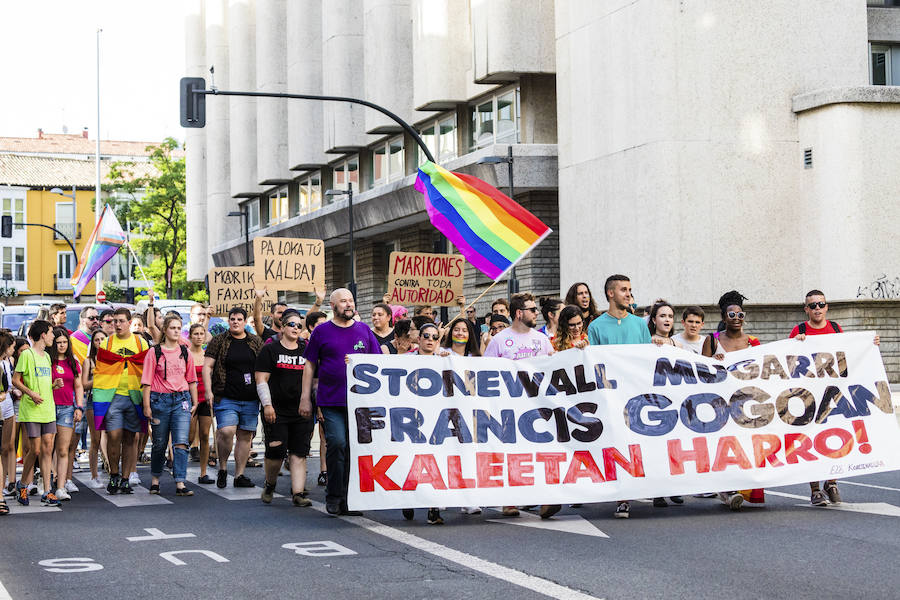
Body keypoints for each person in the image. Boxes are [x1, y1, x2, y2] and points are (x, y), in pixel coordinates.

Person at [789, 289, 880, 506]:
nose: (817, 308)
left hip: (834, 394)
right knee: (810, 439)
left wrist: (870, 343)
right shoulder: (799, 330)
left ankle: (831, 482)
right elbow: (788, 362)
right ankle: (815, 489)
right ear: (806, 310)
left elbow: (851, 352)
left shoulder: (836, 329)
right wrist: (795, 343)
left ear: (827, 306)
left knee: (834, 438)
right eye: (812, 305)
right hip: (809, 396)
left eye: (821, 304)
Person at [301, 288, 381, 516]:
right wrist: (305, 398)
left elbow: (378, 363)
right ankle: (334, 496)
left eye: (351, 301)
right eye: (343, 301)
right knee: (337, 444)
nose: (348, 304)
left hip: (360, 403)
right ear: (333, 306)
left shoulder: (364, 330)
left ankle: (349, 498)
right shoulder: (321, 332)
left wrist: (359, 361)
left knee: (355, 450)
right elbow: (309, 365)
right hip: (331, 401)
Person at [484, 292, 560, 519]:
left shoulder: (541, 340)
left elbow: (554, 367)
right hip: (509, 406)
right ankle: (510, 500)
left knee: (542, 450)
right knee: (513, 453)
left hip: (538, 406)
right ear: (519, 313)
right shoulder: (499, 340)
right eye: (532, 309)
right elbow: (486, 372)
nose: (537, 313)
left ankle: (546, 499)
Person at [588, 275, 650, 519]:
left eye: (630, 289)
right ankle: (622, 497)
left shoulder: (640, 325)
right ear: (610, 293)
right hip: (611, 396)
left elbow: (647, 360)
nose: (628, 294)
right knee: (617, 443)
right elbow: (593, 363)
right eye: (624, 289)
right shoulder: (596, 326)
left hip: (636, 394)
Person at [701, 290, 762, 510]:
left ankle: (740, 486)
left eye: (740, 315)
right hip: (720, 404)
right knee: (725, 446)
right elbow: (702, 371)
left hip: (746, 402)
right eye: (732, 315)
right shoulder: (713, 340)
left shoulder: (754, 342)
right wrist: (712, 361)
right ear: (724, 318)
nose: (737, 319)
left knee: (746, 446)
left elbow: (763, 370)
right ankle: (726, 489)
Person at [257, 309, 315, 508]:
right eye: (292, 324)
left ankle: (298, 493)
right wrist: (267, 405)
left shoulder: (307, 349)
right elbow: (261, 380)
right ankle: (270, 483)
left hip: (301, 410)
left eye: (299, 325)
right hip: (277, 410)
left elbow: (315, 378)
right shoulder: (270, 350)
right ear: (282, 327)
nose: (296, 328)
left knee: (299, 452)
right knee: (276, 452)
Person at [203, 307, 263, 489]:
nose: (235, 322)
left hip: (251, 397)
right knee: (226, 431)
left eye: (239, 319)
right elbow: (207, 367)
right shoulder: (219, 340)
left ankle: (239, 475)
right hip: (226, 396)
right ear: (228, 321)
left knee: (245, 436)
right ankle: (222, 468)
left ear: (245, 322)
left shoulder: (255, 341)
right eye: (232, 319)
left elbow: (263, 368)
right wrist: (208, 391)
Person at [142, 315, 198, 497]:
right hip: (160, 400)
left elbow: (191, 379)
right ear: (165, 330)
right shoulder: (154, 352)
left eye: (178, 328)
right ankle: (155, 480)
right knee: (159, 443)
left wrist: (195, 401)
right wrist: (147, 405)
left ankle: (180, 482)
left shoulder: (185, 351)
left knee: (181, 442)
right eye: (172, 327)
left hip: (181, 400)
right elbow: (147, 381)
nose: (176, 331)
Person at [98, 308, 151, 494]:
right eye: (115, 321)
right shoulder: (107, 342)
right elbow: (100, 370)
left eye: (121, 321)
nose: (117, 324)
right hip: (113, 396)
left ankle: (126, 478)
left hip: (134, 395)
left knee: (131, 438)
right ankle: (113, 474)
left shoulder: (141, 342)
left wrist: (147, 398)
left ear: (130, 322)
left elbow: (147, 369)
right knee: (113, 436)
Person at [400, 321, 448, 524]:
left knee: (435, 460)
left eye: (435, 337)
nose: (430, 340)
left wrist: (447, 360)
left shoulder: (446, 358)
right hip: (411, 419)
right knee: (412, 459)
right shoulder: (404, 360)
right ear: (418, 339)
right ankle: (408, 499)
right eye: (426, 336)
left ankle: (433, 508)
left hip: (436, 418)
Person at [12, 321, 60, 506]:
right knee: (36, 449)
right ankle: (23, 484)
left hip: (48, 408)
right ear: (42, 335)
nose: (53, 337)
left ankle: (47, 491)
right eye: (51, 333)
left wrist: (53, 385)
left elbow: (44, 383)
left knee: (48, 448)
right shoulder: (27, 354)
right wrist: (30, 393)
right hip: (31, 409)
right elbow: (16, 380)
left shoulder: (47, 357)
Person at [49, 327, 84, 501]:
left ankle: (61, 487)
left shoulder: (73, 361)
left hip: (67, 408)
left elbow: (78, 386)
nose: (62, 345)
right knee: (47, 448)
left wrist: (79, 407)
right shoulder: (48, 360)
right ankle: (46, 483)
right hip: (47, 407)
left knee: (63, 449)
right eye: (58, 343)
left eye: (64, 342)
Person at [187, 323, 215, 484]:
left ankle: (203, 472)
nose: (198, 336)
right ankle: (179, 468)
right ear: (190, 336)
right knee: (189, 437)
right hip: (190, 399)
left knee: (205, 435)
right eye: (195, 334)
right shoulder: (186, 354)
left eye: (201, 334)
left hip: (205, 398)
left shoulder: (207, 355)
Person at [303, 311, 328, 486]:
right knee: (306, 434)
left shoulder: (327, 342)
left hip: (323, 395)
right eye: (321, 324)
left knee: (324, 434)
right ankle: (298, 464)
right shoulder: (306, 345)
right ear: (311, 327)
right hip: (307, 394)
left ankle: (324, 471)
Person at [81, 328, 108, 488]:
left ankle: (112, 469)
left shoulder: (111, 359)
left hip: (110, 399)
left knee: (113, 436)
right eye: (96, 340)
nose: (99, 343)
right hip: (93, 400)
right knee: (96, 439)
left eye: (102, 339)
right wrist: (99, 377)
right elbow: (84, 384)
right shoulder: (88, 361)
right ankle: (94, 475)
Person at [0, 331, 15, 513]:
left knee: (5, 448)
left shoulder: (7, 362)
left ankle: (2, 491)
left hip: (8, 407)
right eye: (11, 346)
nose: (13, 350)